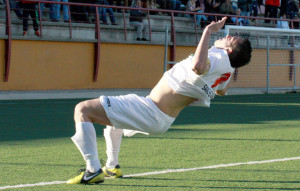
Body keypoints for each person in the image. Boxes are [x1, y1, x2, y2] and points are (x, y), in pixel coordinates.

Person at [66, 16, 252, 185]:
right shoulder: (226, 70)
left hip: (151, 110)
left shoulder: (218, 57)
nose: (227, 36)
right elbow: (221, 90)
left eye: (231, 39)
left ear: (228, 50)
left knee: (83, 110)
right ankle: (112, 166)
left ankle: (92, 170)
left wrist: (208, 31)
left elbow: (198, 67)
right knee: (114, 121)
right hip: (161, 117)